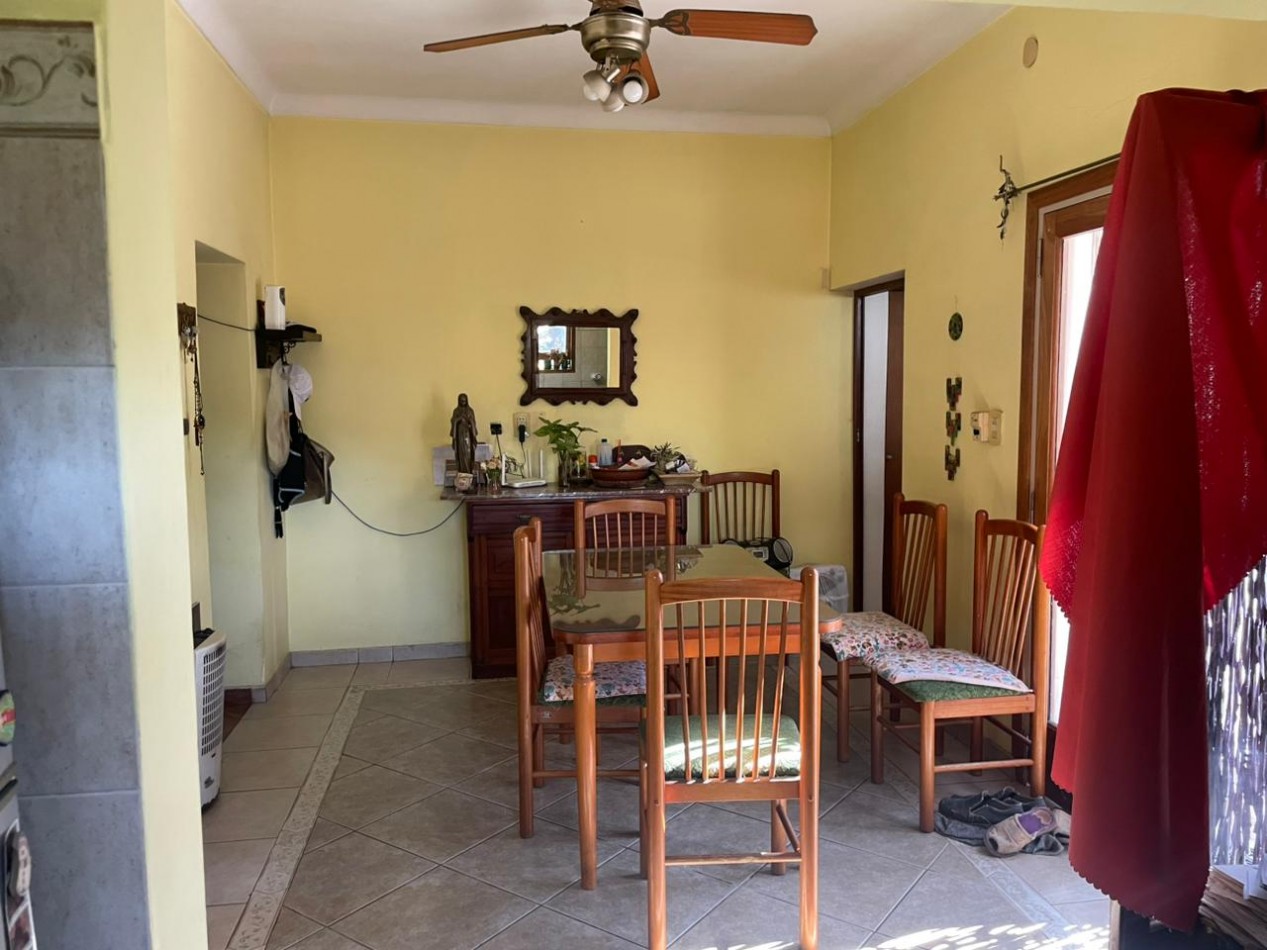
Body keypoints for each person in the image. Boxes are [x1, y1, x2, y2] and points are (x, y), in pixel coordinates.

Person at [450, 393, 478, 475]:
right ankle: (462, 473)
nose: (463, 402)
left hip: (468, 434)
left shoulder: (470, 410)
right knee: (461, 455)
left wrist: (469, 421)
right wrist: (458, 419)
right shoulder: (456, 411)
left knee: (468, 454)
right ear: (459, 401)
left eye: (464, 401)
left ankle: (469, 473)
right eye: (461, 401)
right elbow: (454, 422)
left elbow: (473, 423)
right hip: (459, 435)